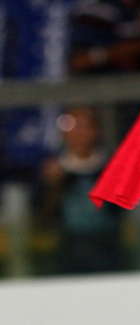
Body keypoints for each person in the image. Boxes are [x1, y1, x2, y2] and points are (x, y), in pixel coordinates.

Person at [37, 106, 127, 274]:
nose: (79, 133)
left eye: (85, 127)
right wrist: (53, 186)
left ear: (96, 131)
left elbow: (122, 212)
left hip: (109, 248)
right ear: (63, 133)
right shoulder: (53, 170)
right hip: (68, 250)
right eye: (73, 127)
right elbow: (43, 220)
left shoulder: (111, 167)